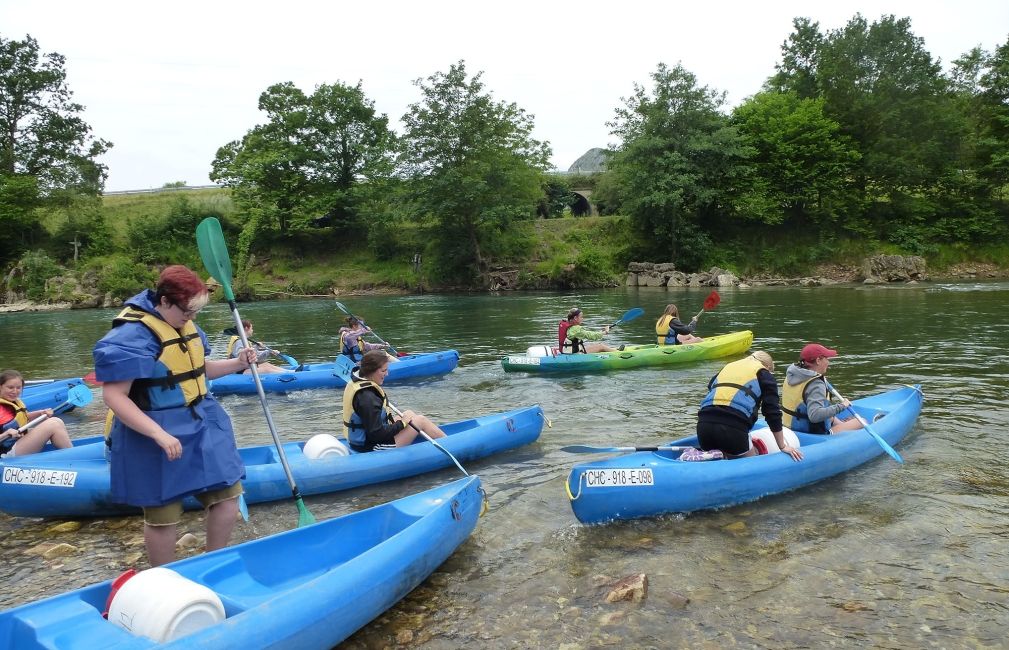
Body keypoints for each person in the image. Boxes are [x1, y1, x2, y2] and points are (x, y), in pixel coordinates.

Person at [92, 265, 257, 567]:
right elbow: (113, 396)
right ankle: (164, 578)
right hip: (155, 428)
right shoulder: (132, 335)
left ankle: (213, 562)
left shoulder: (185, 322)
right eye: (187, 311)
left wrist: (236, 363)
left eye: (195, 312)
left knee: (228, 496)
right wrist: (158, 433)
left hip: (200, 419)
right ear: (165, 301)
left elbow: (199, 368)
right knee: (162, 516)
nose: (191, 318)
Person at [696, 351, 803, 461]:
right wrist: (783, 446)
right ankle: (725, 455)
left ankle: (716, 455)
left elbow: (711, 388)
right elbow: (772, 413)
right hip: (732, 429)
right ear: (767, 366)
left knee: (721, 452)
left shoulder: (728, 367)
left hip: (703, 426)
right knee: (753, 458)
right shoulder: (763, 373)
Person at [342, 350, 446, 452]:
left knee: (409, 413)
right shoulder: (368, 397)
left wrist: (403, 422)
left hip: (365, 440)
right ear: (370, 370)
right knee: (420, 421)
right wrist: (402, 423)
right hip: (372, 447)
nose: (387, 374)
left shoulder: (358, 381)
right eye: (383, 370)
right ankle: (449, 444)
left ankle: (434, 439)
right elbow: (376, 434)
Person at [781, 343, 863, 434]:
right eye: (826, 359)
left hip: (790, 428)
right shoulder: (816, 384)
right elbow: (815, 416)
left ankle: (841, 424)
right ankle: (843, 428)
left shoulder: (792, 375)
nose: (828, 362)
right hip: (812, 433)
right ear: (818, 360)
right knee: (861, 422)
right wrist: (842, 406)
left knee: (831, 416)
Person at [0, 369, 73, 457]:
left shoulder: (14, 403)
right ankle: (72, 457)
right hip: (5, 454)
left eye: (18, 388)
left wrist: (40, 413)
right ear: (1, 387)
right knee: (53, 424)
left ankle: (70, 453)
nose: (15, 391)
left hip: (17, 444)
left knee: (57, 421)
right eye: (10, 387)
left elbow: (21, 418)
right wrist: (6, 434)